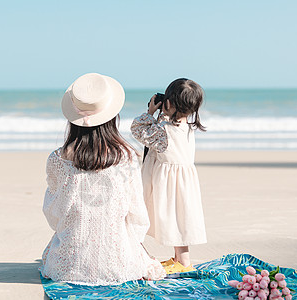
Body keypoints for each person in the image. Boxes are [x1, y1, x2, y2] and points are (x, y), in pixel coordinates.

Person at [39, 73, 165, 285]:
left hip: (68, 267)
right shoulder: (128, 158)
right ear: (112, 116)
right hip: (119, 265)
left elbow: (53, 213)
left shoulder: (57, 159)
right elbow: (136, 215)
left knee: (52, 251)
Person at [131, 78, 207, 274]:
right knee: (179, 219)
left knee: (172, 218)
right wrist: (163, 115)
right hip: (182, 182)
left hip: (167, 184)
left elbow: (137, 130)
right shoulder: (187, 127)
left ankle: (181, 261)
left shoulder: (163, 131)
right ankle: (180, 258)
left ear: (169, 103)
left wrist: (149, 112)